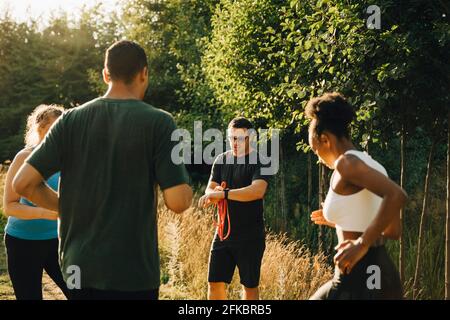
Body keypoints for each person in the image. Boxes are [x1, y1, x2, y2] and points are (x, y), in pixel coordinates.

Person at [12, 40, 193, 300]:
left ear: (105, 74)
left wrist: (66, 207)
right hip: (135, 273)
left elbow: (23, 184)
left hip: (78, 268)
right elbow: (177, 201)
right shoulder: (160, 122)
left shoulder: (70, 120)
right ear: (144, 73)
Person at [307, 92, 407, 300]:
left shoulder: (346, 164)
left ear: (325, 140)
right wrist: (344, 221)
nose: (319, 158)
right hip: (382, 274)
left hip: (357, 277)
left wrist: (361, 244)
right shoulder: (373, 165)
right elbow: (393, 230)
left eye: (316, 151)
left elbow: (397, 195)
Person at [198, 117, 271, 300]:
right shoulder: (221, 160)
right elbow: (210, 188)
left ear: (250, 138)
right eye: (231, 138)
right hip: (223, 234)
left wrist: (224, 194)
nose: (234, 143)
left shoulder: (261, 161)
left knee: (249, 288)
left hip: (250, 236)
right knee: (214, 283)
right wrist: (213, 194)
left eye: (239, 138)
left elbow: (257, 191)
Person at [3, 104, 68, 300]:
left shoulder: (71, 159)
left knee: (80, 292)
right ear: (41, 128)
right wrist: (48, 213)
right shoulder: (24, 157)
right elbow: (9, 206)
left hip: (62, 243)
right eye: (56, 129)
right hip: (22, 244)